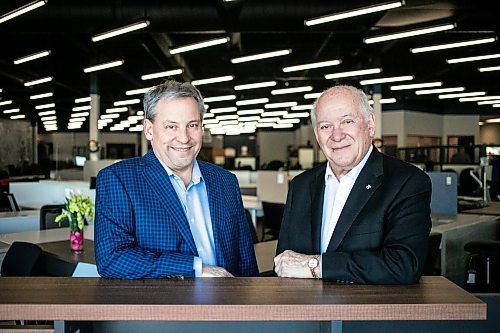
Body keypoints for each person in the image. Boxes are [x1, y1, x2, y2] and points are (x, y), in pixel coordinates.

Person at [94, 80, 258, 279]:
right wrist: (196, 268)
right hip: (162, 306)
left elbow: (246, 261)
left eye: (192, 125)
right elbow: (112, 259)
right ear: (148, 129)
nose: (184, 138)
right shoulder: (118, 180)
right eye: (171, 126)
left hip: (226, 303)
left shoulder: (225, 181)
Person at [274, 85, 432, 284]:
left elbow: (404, 265)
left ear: (370, 124)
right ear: (317, 134)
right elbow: (284, 263)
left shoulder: (406, 181)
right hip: (306, 310)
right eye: (325, 126)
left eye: (347, 121)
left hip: (368, 311)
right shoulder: (301, 186)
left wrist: (316, 265)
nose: (337, 135)